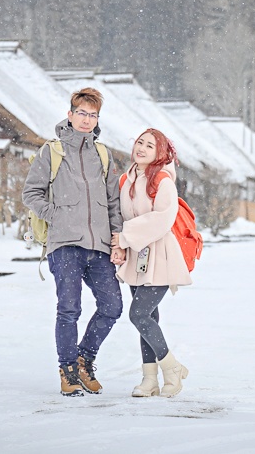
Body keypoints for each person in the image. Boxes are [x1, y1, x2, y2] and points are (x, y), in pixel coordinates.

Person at [22, 87, 123, 397]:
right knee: (69, 309)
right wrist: (58, 216)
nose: (87, 119)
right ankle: (67, 371)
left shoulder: (103, 154)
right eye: (82, 113)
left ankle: (83, 360)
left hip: (100, 246)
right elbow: (31, 193)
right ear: (70, 114)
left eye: (93, 115)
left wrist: (116, 237)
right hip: (65, 245)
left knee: (112, 306)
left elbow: (113, 201)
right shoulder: (52, 151)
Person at [110, 128, 192, 398]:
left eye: (150, 145)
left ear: (160, 153)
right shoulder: (127, 179)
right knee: (149, 317)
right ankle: (149, 379)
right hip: (137, 257)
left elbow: (162, 219)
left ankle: (172, 368)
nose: (142, 148)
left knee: (139, 315)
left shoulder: (162, 180)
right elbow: (123, 216)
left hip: (160, 255)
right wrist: (121, 244)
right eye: (139, 143)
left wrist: (125, 237)